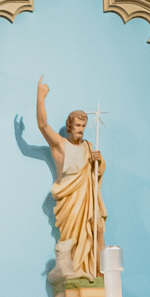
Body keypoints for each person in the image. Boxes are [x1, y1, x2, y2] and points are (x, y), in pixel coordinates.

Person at [37, 78, 106, 280]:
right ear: (70, 125)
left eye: (83, 125)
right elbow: (43, 125)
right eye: (77, 125)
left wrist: (98, 162)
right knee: (72, 239)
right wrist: (40, 97)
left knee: (94, 230)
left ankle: (95, 270)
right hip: (70, 204)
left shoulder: (88, 147)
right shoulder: (60, 146)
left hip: (87, 201)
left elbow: (96, 174)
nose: (81, 129)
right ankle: (73, 269)